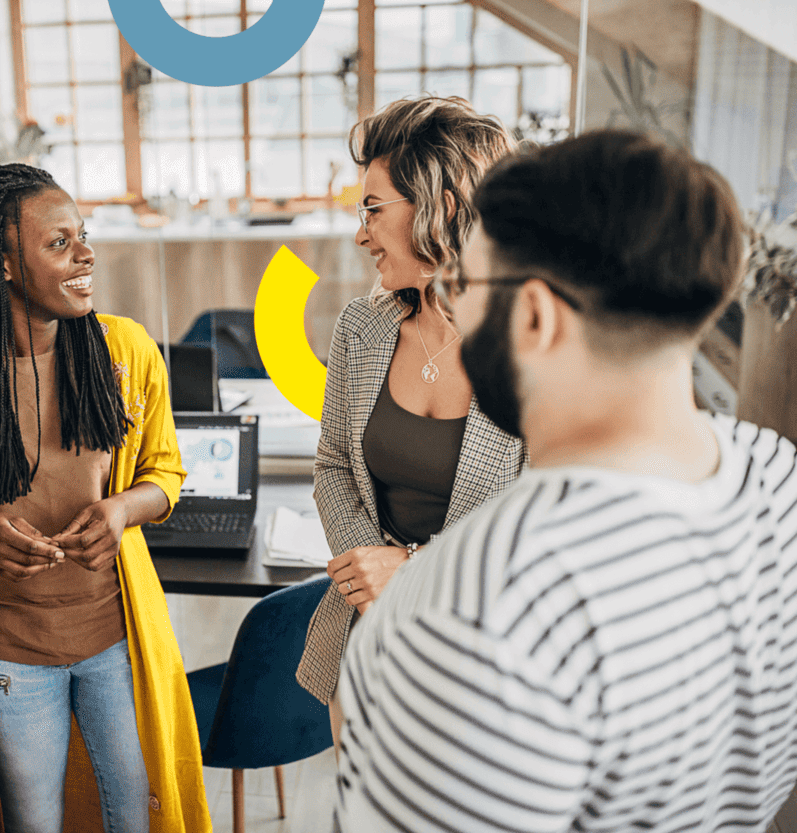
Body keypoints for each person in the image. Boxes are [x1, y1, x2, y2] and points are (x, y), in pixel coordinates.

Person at [334, 128, 797, 831]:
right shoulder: (777, 478)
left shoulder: (476, 602)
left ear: (531, 314)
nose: (454, 301)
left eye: (468, 284)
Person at [0, 163, 210, 833]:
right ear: (2, 263)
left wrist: (122, 508)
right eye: (59, 242)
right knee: (31, 821)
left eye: (81, 236)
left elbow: (165, 473)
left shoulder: (125, 349)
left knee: (136, 812)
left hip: (117, 639)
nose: (85, 253)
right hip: (7, 652)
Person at [296, 96, 526, 740]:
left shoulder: (531, 347)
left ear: (444, 207)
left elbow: (546, 526)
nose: (361, 233)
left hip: (483, 666)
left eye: (374, 209)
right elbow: (334, 465)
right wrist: (372, 578)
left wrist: (414, 571)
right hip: (363, 650)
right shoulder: (360, 328)